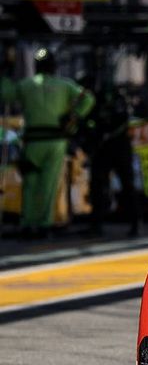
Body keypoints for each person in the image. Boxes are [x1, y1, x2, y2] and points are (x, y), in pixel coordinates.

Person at [0, 49, 94, 237]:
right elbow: (88, 99)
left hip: (33, 141)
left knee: (30, 183)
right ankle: (44, 224)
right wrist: (73, 117)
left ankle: (28, 223)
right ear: (54, 66)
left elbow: (5, 93)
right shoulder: (65, 85)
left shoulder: (26, 85)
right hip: (55, 140)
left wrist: (6, 73)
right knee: (48, 184)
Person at [85, 82, 140, 237]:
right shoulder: (95, 99)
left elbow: (123, 121)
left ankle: (134, 223)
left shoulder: (118, 100)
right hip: (104, 148)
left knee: (127, 186)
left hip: (118, 147)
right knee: (98, 185)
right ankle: (96, 224)